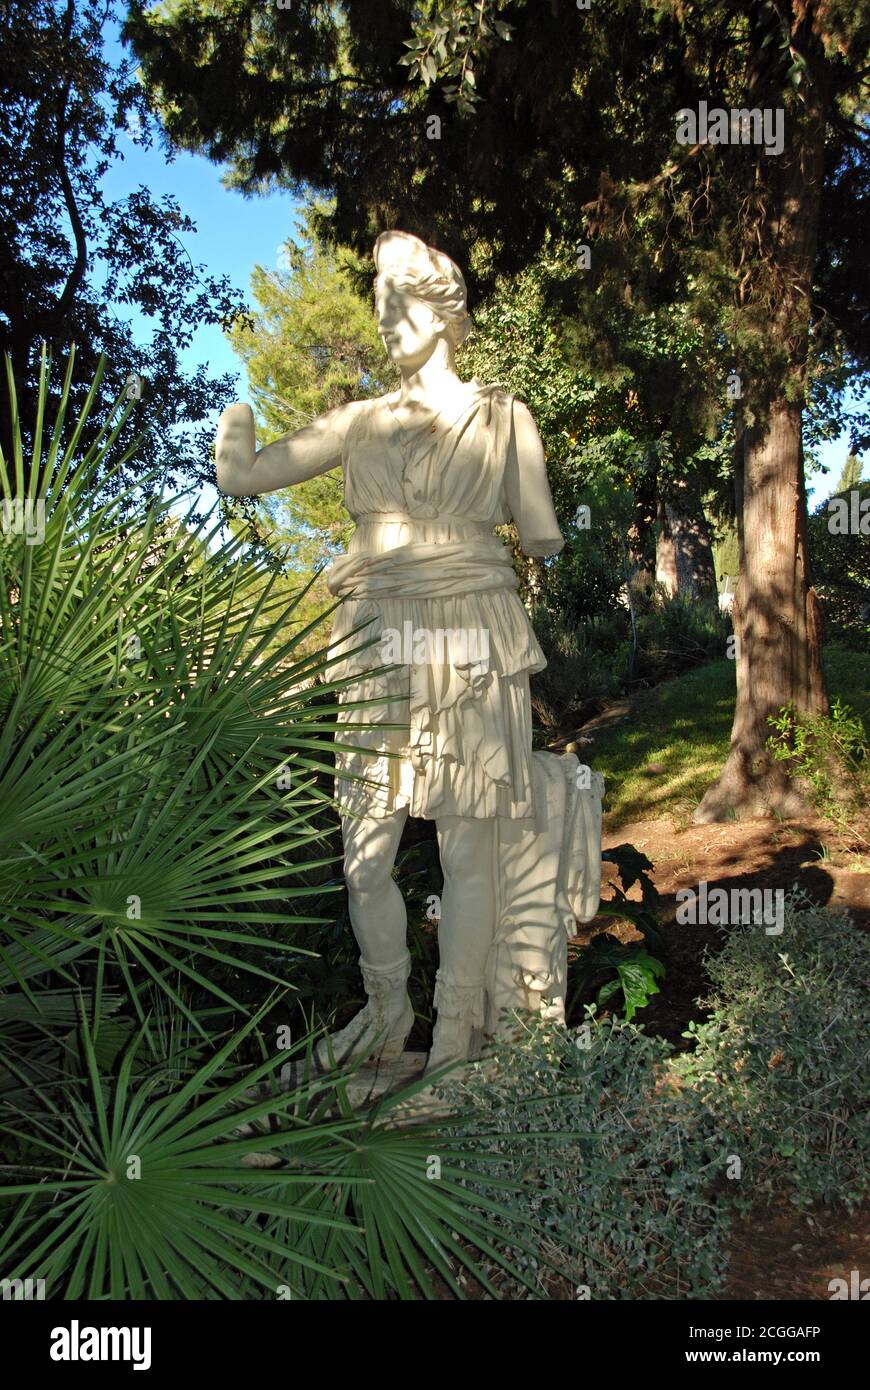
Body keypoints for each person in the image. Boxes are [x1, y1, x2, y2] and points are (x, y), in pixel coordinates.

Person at [215, 230, 567, 1074]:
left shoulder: (503, 416)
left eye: (397, 304)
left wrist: (476, 519)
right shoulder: (359, 421)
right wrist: (235, 434)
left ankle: (455, 1031)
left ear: (443, 314)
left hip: (468, 632)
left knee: (466, 848)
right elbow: (247, 475)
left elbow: (542, 532)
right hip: (377, 634)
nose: (384, 321)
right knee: (363, 850)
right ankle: (384, 1012)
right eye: (377, 306)